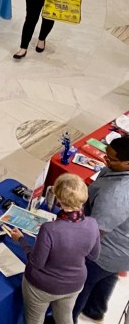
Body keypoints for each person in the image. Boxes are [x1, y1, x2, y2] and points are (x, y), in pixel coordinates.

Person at [8, 174, 100, 324]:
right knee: (65, 318)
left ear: (58, 198)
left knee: (34, 320)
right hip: (74, 284)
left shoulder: (49, 229)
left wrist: (21, 240)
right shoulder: (93, 223)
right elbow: (94, 255)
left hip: (42, 287)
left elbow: (36, 263)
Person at [73, 136, 129, 322]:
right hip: (122, 252)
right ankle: (95, 310)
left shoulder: (115, 195)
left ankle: (67, 317)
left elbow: (94, 233)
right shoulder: (118, 174)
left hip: (106, 251)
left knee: (80, 285)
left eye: (111, 159)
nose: (105, 161)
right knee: (108, 276)